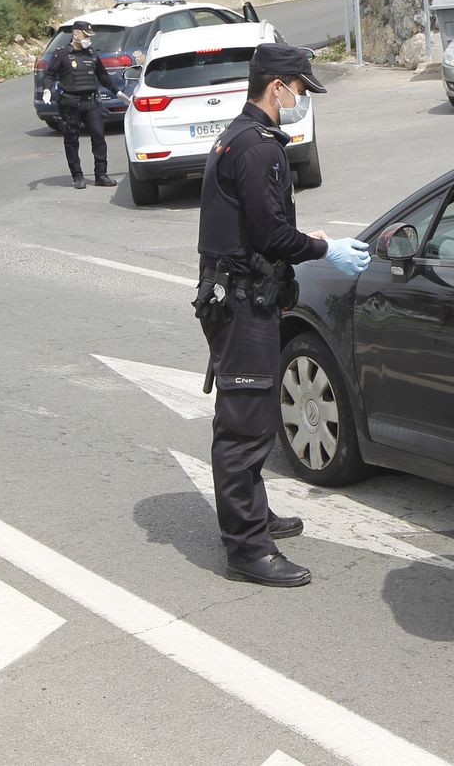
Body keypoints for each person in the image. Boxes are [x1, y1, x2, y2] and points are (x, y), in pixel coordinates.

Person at [193, 43, 371, 588]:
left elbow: (255, 230)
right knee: (244, 427)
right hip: (242, 302)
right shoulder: (256, 148)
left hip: (248, 294)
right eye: (298, 88)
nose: (300, 99)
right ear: (277, 87)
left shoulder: (242, 136)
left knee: (256, 412)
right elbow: (270, 233)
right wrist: (323, 249)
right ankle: (247, 548)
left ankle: (255, 513)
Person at [40, 21, 120, 189]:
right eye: (85, 35)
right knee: (71, 139)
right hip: (70, 103)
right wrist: (47, 89)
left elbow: (103, 76)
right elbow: (49, 74)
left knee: (98, 136)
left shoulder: (91, 53)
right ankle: (77, 176)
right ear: (76, 34)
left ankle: (101, 175)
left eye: (90, 37)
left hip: (91, 102)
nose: (88, 40)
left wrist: (117, 92)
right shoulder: (61, 53)